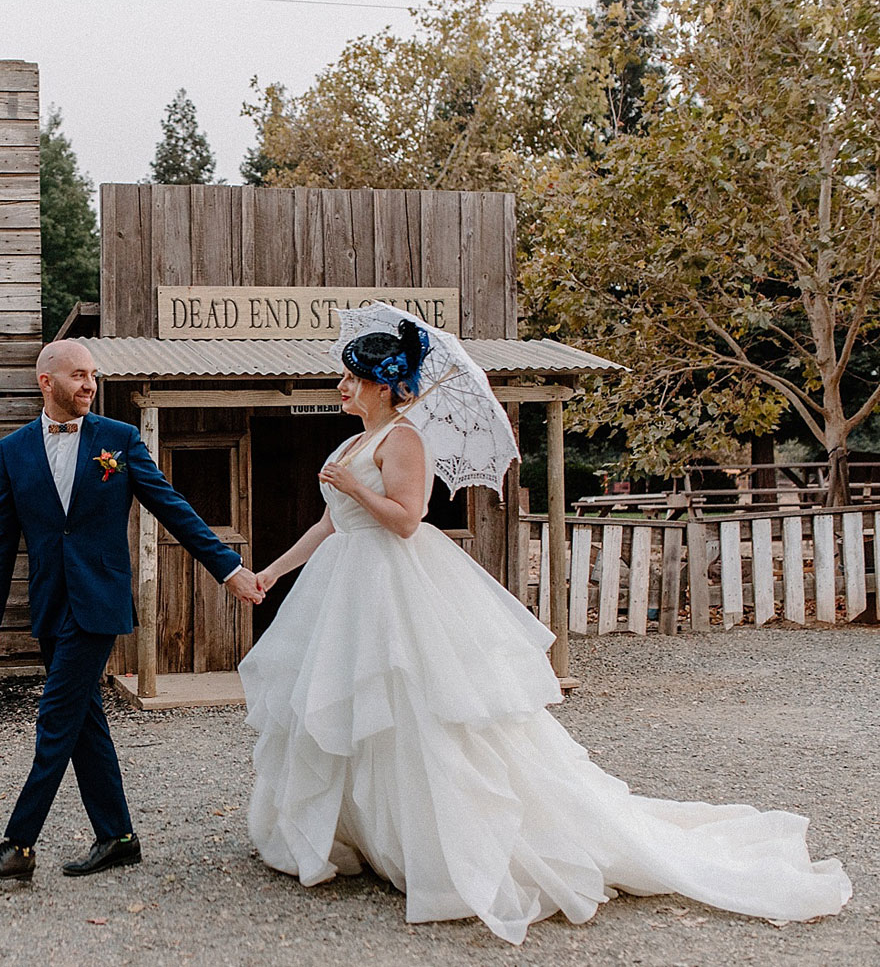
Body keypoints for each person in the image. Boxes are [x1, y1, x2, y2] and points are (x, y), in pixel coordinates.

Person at [238, 321, 851, 944]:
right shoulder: (347, 449)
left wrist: (354, 491)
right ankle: (361, 831)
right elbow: (327, 526)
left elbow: (406, 520)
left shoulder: (404, 440)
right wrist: (270, 573)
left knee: (418, 709)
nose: (342, 386)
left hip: (395, 586)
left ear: (384, 386)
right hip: (343, 589)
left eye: (352, 377)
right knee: (349, 709)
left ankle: (440, 846)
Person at [0, 339, 266, 881]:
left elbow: (172, 507)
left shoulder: (119, 441)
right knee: (84, 725)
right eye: (78, 375)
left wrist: (228, 568)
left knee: (55, 719)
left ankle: (20, 844)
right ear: (46, 382)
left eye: (93, 375)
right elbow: (0, 539)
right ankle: (118, 837)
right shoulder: (13, 450)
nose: (89, 385)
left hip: (98, 603)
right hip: (51, 604)